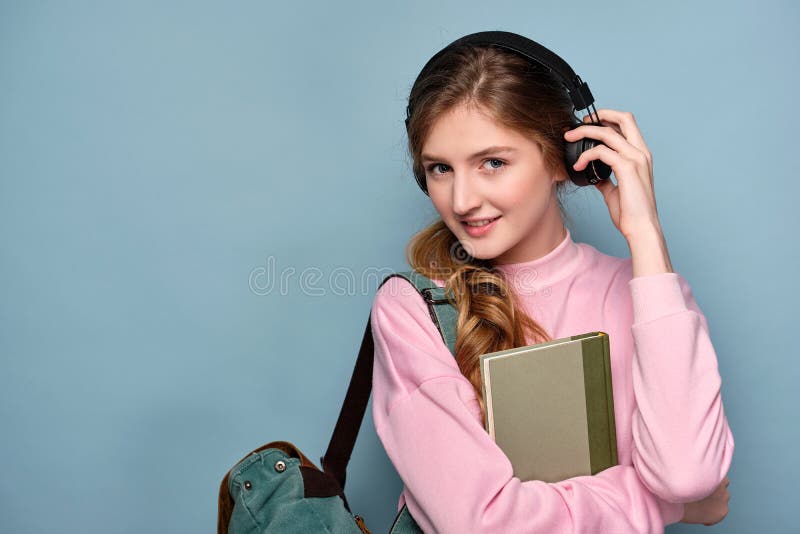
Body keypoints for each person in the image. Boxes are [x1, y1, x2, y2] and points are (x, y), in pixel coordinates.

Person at [369, 31, 734, 533]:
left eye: (492, 163)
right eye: (439, 169)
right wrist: (658, 505)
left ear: (563, 160)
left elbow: (688, 475)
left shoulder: (651, 296)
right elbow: (482, 525)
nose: (462, 200)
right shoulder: (414, 308)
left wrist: (646, 236)